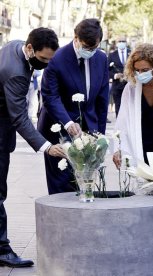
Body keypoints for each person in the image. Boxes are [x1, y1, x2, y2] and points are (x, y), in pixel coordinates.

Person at [0, 27, 65, 268]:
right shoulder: (16, 72)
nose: (46, 65)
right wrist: (46, 146)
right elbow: (19, 117)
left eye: (51, 59)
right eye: (43, 59)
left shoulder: (15, 45)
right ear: (30, 49)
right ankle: (2, 250)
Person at [38, 18, 109, 194]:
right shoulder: (57, 59)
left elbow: (102, 99)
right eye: (86, 47)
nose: (90, 51)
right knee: (63, 184)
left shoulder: (101, 58)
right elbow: (50, 96)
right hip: (59, 129)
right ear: (76, 38)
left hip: (88, 130)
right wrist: (68, 123)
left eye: (94, 48)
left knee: (87, 183)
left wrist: (100, 136)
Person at [108, 36, 130, 117]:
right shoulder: (112, 55)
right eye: (119, 41)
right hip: (117, 86)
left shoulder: (131, 53)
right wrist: (115, 75)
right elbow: (107, 70)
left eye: (123, 41)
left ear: (126, 42)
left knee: (129, 107)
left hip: (129, 85)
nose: (121, 43)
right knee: (118, 107)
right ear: (117, 43)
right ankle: (119, 127)